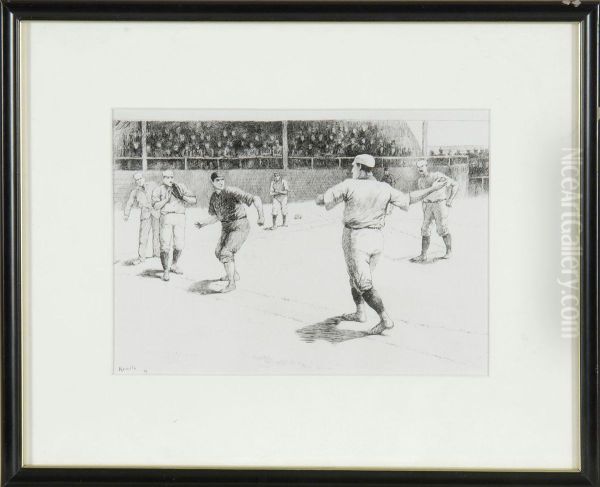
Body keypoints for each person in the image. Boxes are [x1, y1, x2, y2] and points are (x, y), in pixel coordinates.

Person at [316, 154, 447, 335]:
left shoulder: (348, 184)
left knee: (363, 283)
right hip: (376, 239)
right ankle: (360, 313)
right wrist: (433, 189)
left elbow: (321, 200)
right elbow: (409, 198)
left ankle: (385, 319)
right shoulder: (384, 187)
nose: (352, 169)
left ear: (361, 168)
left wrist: (320, 197)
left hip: (356, 238)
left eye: (354, 166)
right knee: (355, 277)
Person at [195, 172, 265, 293]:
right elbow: (216, 216)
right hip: (226, 227)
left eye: (222, 179)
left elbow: (255, 198)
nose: (221, 182)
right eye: (218, 180)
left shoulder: (231, 191)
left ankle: (232, 283)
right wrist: (203, 223)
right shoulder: (214, 198)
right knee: (218, 252)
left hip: (240, 225)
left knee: (226, 252)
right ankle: (233, 274)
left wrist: (261, 216)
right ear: (212, 182)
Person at [152, 170, 197, 281]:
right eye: (167, 177)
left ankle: (174, 265)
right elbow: (156, 206)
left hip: (179, 217)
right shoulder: (158, 189)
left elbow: (194, 200)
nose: (170, 179)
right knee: (165, 245)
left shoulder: (180, 186)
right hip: (166, 217)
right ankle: (166, 271)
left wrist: (183, 197)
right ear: (163, 178)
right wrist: (166, 200)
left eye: (171, 177)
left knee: (179, 244)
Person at [410, 159, 459, 262]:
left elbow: (455, 184)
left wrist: (450, 199)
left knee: (442, 228)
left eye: (422, 166)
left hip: (439, 204)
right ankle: (423, 255)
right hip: (428, 205)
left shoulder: (437, 176)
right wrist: (424, 207)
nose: (420, 169)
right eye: (418, 168)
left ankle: (449, 251)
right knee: (425, 229)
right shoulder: (420, 181)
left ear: (426, 166)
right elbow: (423, 195)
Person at [123, 172, 160, 264]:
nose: (139, 181)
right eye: (137, 180)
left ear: (144, 178)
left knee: (157, 235)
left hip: (156, 213)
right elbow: (129, 203)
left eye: (140, 179)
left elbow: (161, 196)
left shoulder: (153, 185)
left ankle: (157, 254)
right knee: (143, 236)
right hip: (145, 215)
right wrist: (126, 214)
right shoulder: (135, 192)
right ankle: (141, 257)